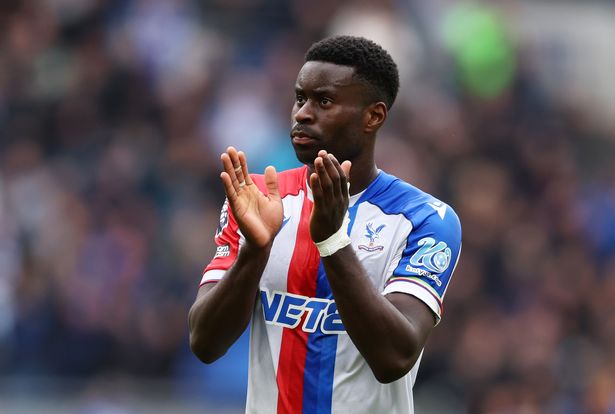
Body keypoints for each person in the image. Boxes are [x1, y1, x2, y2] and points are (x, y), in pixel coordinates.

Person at [189, 35, 462, 414]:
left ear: (374, 116)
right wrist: (254, 251)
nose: (302, 113)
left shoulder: (426, 219)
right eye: (300, 98)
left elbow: (394, 358)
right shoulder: (257, 200)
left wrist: (332, 241)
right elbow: (205, 342)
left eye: (325, 101)